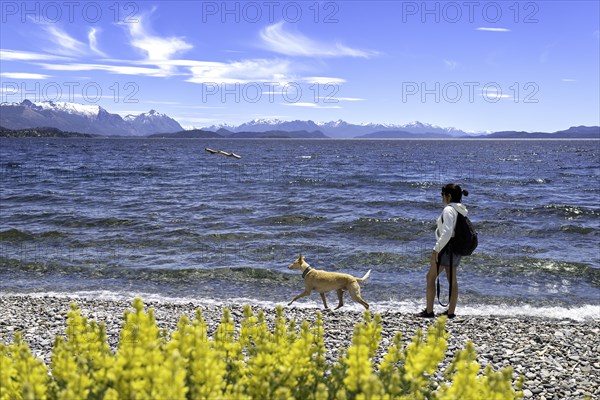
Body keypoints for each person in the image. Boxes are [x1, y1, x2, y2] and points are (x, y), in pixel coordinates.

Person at [417, 183, 469, 319]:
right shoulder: (461, 209)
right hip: (456, 248)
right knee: (452, 280)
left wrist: (436, 250)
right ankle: (450, 312)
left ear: (448, 196)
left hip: (446, 248)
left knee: (430, 277)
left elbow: (446, 233)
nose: (442, 197)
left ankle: (429, 311)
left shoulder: (448, 210)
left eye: (442, 195)